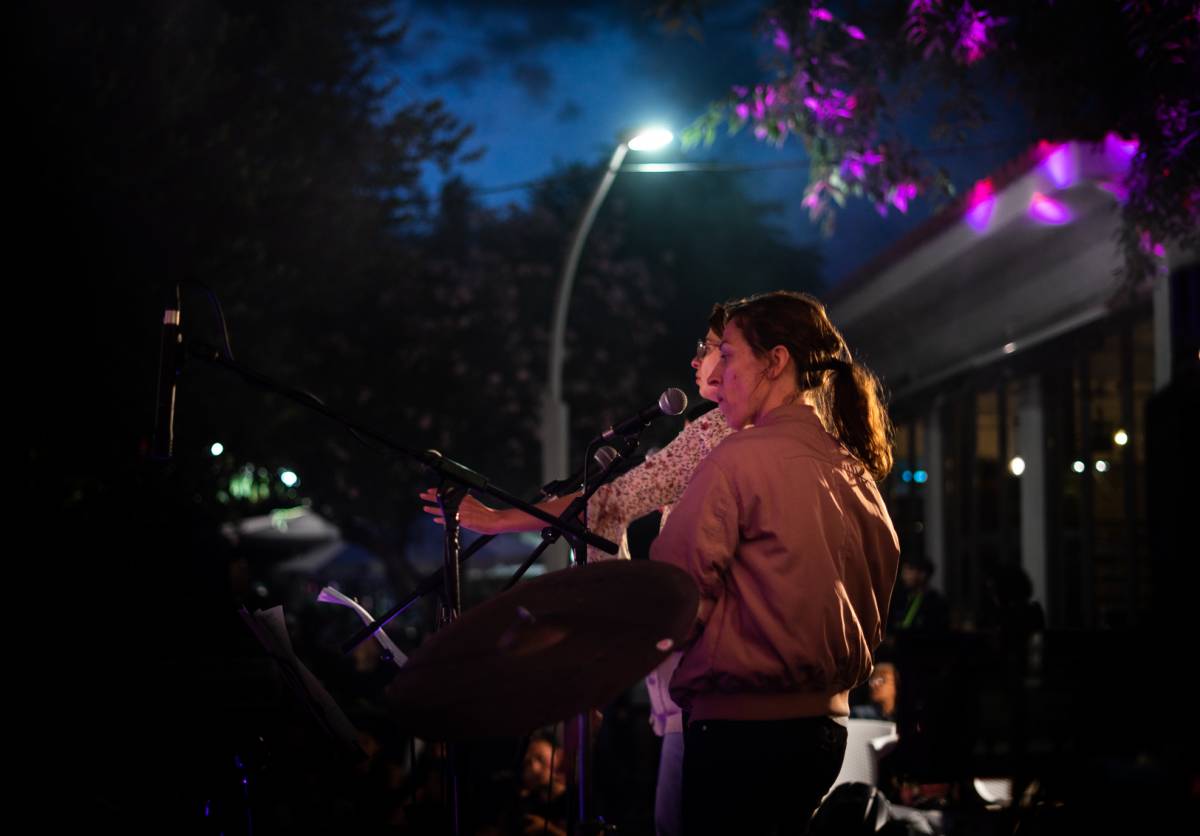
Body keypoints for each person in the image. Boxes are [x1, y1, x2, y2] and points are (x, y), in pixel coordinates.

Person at [420, 309, 736, 836]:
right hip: (705, 689)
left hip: (710, 692)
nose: (694, 357)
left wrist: (497, 520)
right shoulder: (733, 434)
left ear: (745, 359)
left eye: (706, 346)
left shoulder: (718, 431)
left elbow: (604, 504)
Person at [649, 290, 900, 835]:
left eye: (731, 355)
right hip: (826, 730)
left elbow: (673, 594)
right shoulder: (854, 473)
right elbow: (876, 601)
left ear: (776, 361)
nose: (720, 374)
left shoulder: (737, 459)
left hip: (742, 728)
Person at [887, 555, 949, 636]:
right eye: (904, 572)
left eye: (909, 571)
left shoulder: (936, 602)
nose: (904, 576)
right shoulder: (898, 598)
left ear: (923, 574)